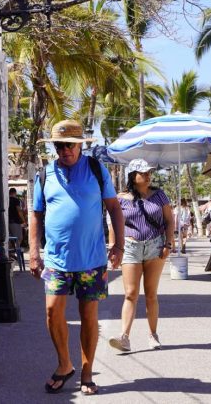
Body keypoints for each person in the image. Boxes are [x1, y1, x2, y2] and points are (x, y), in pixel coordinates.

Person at [29, 120, 124, 396]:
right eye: (58, 146)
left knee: (88, 316)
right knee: (51, 312)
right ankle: (64, 364)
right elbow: (36, 215)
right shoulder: (45, 174)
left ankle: (86, 372)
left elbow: (115, 208)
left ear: (80, 146)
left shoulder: (96, 170)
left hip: (92, 259)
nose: (64, 151)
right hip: (57, 260)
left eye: (68, 145)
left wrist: (117, 245)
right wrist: (34, 253)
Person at [108, 159, 174, 353]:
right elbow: (114, 224)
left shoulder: (159, 195)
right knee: (130, 293)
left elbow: (170, 221)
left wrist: (169, 243)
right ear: (132, 176)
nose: (147, 175)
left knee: (151, 294)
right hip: (130, 246)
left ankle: (153, 335)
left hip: (155, 245)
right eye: (143, 173)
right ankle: (124, 338)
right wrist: (114, 247)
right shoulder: (120, 198)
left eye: (148, 172)